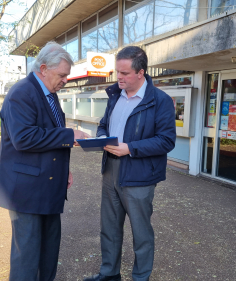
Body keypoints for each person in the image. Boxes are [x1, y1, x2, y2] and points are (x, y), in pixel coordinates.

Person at [0, 42, 90, 281]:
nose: (66, 80)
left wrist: (65, 169)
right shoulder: (22, 93)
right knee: (27, 254)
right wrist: (69, 134)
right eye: (62, 75)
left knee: (48, 249)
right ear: (43, 68)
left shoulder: (49, 94)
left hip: (47, 185)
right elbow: (23, 139)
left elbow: (48, 135)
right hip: (26, 190)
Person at [84, 46, 176, 281]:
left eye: (124, 73)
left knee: (141, 233)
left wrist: (130, 148)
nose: (119, 77)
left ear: (141, 73)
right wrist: (102, 137)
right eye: (117, 72)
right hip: (110, 170)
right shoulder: (115, 95)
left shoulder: (160, 101)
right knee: (109, 228)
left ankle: (140, 278)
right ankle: (109, 274)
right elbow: (104, 124)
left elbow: (166, 141)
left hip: (140, 175)